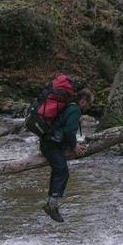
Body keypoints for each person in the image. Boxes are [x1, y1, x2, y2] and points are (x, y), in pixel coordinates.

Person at [40, 87, 92, 222]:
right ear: (83, 101)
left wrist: (72, 144)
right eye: (89, 103)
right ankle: (51, 206)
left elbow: (63, 129)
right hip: (51, 144)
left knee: (59, 170)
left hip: (49, 142)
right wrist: (74, 146)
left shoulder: (69, 106)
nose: (90, 106)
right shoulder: (74, 110)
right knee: (62, 171)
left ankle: (51, 204)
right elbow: (69, 131)